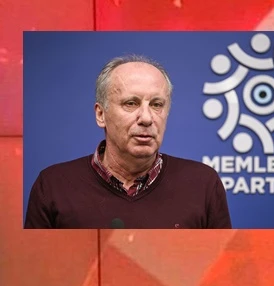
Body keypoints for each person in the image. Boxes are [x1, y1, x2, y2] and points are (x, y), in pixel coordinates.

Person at [25, 55, 232, 229]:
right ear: (101, 114)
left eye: (156, 104)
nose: (147, 118)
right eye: (131, 103)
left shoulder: (203, 184)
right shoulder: (53, 186)